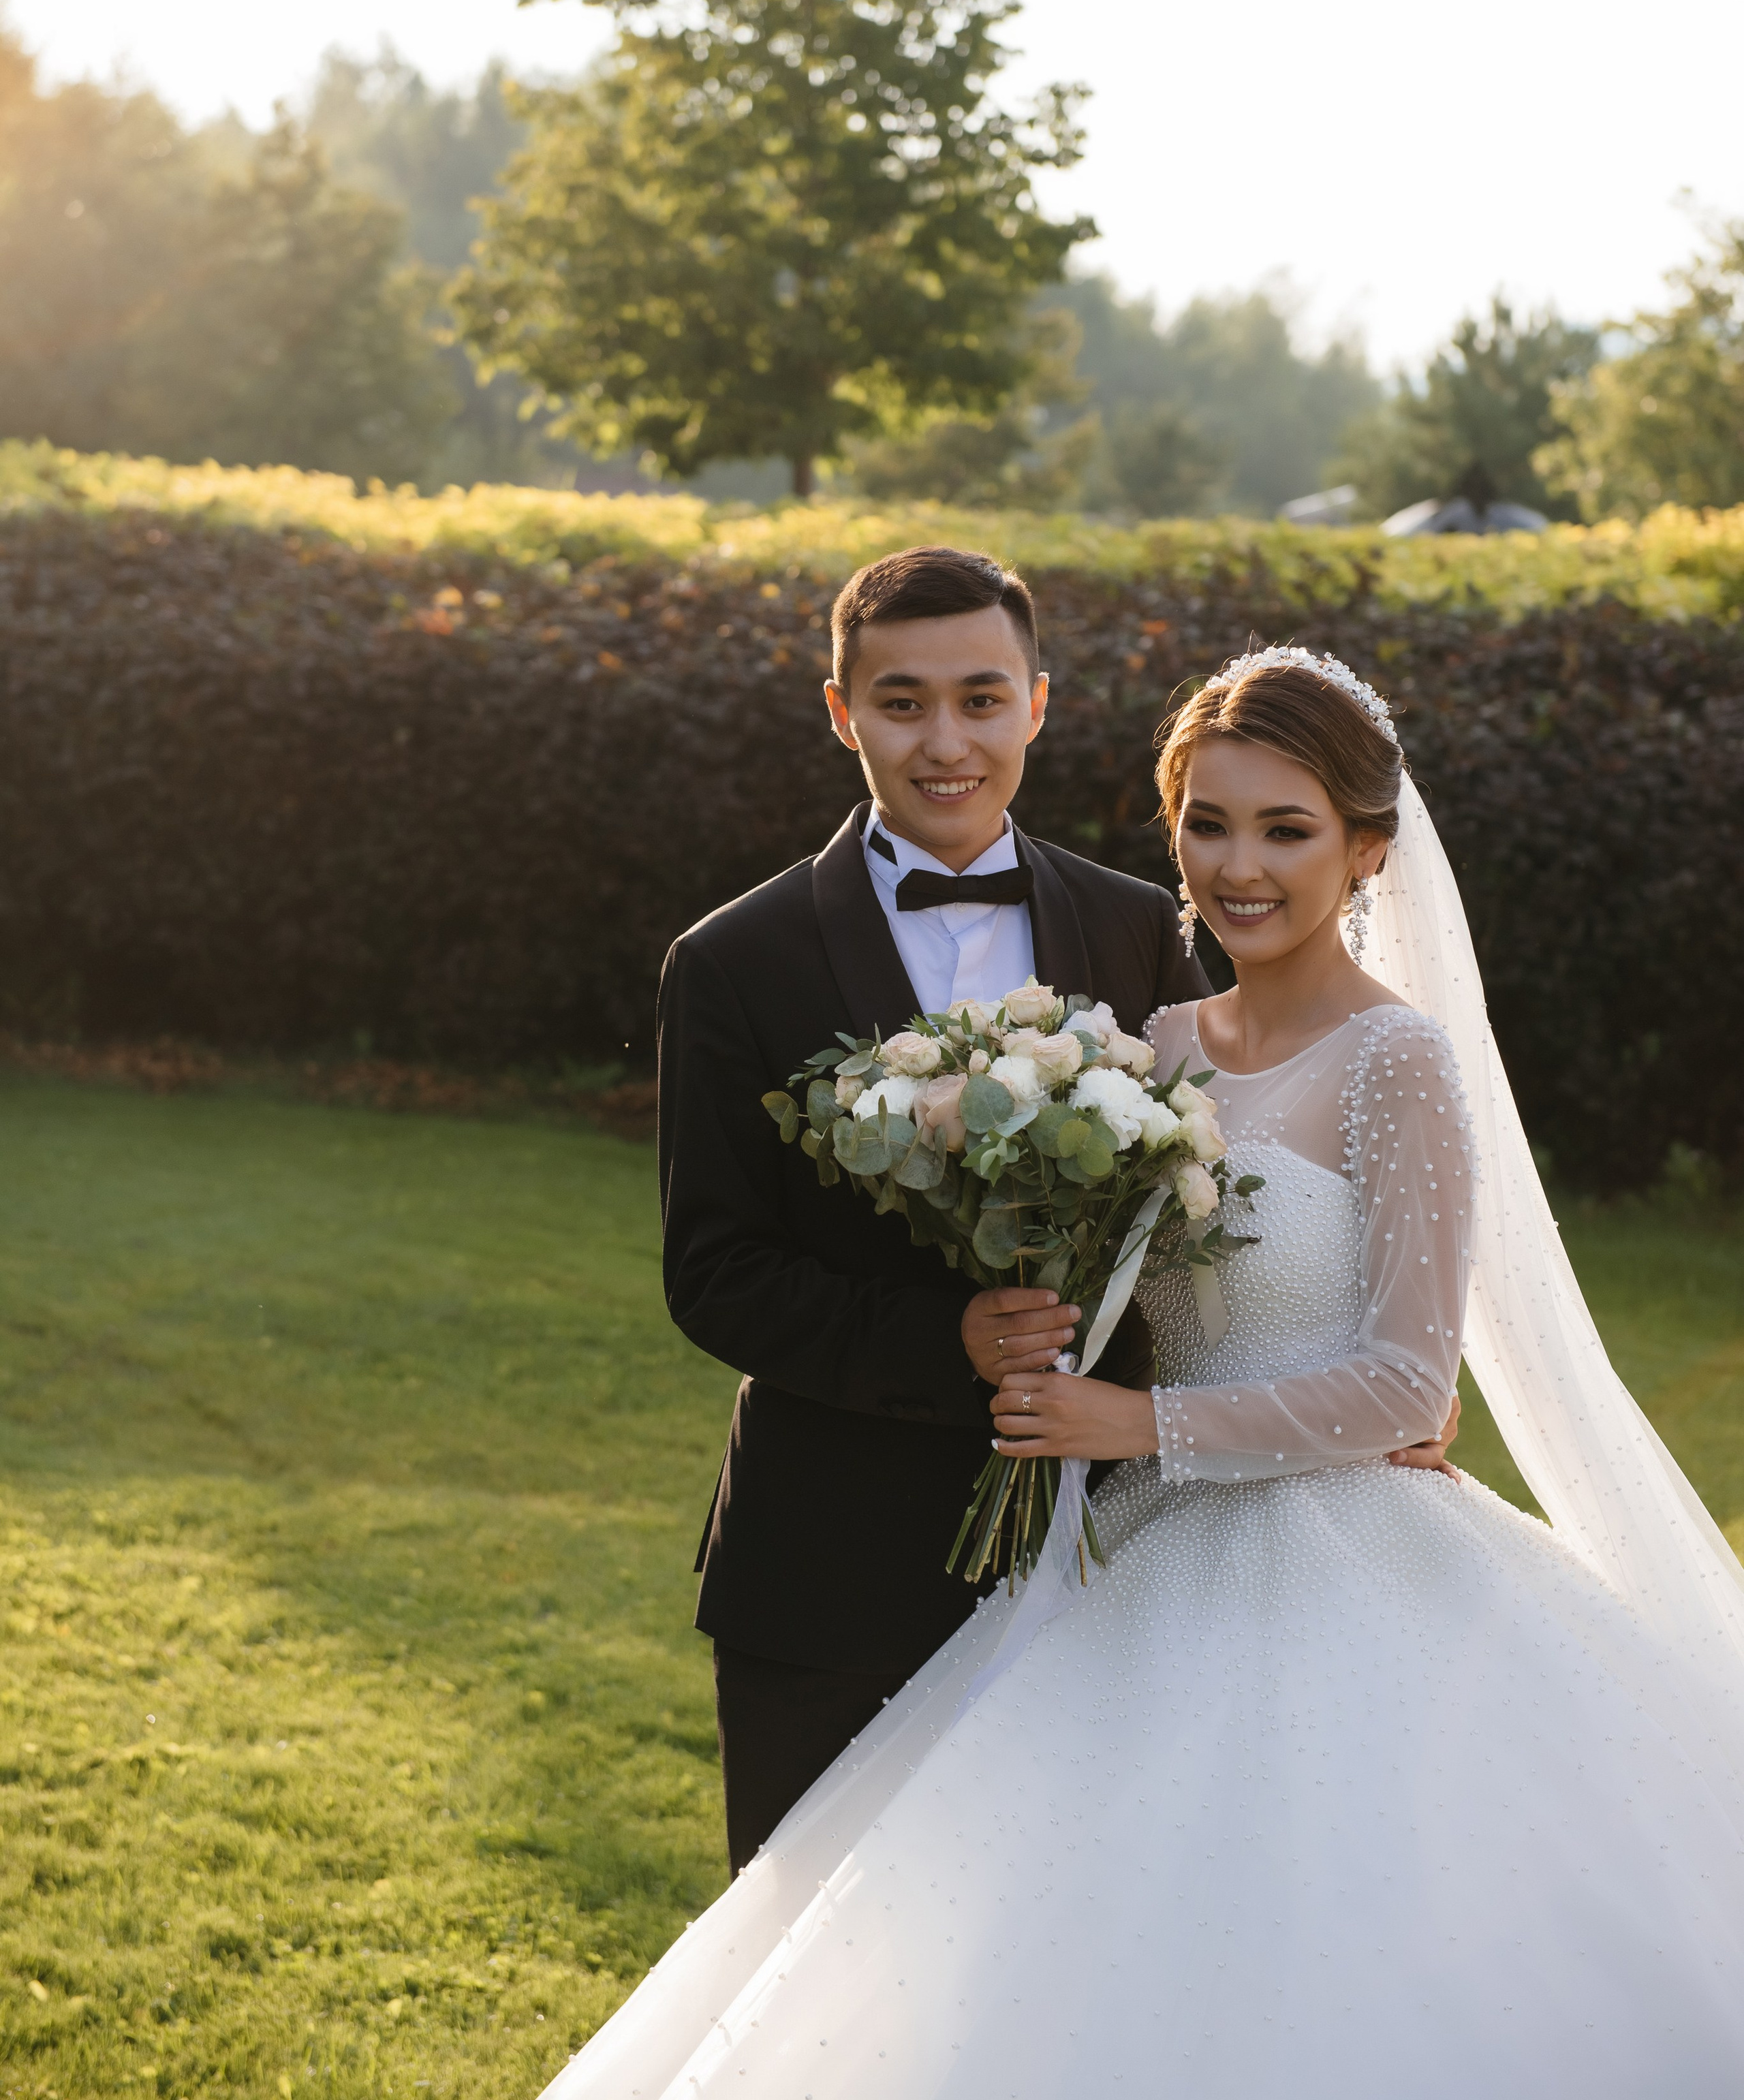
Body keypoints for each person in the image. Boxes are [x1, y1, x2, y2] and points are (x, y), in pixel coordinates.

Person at [548, 643, 1744, 2099]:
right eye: (1208, 821)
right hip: (1134, 1559)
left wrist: (1127, 1416)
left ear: (1366, 849)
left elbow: (1404, 1387)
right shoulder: (1151, 1050)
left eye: (1285, 828)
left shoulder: (1398, 1062)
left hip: (1340, 1566)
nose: (1239, 865)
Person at [655, 544, 1221, 1878]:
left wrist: (1343, 1400)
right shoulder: (733, 960)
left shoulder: (1138, 925)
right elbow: (714, 1270)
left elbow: (1197, 1210)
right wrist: (945, 1339)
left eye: (980, 697)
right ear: (841, 711)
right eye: (900, 701)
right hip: (825, 1571)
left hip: (1096, 1561)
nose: (944, 739)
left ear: (1035, 702)